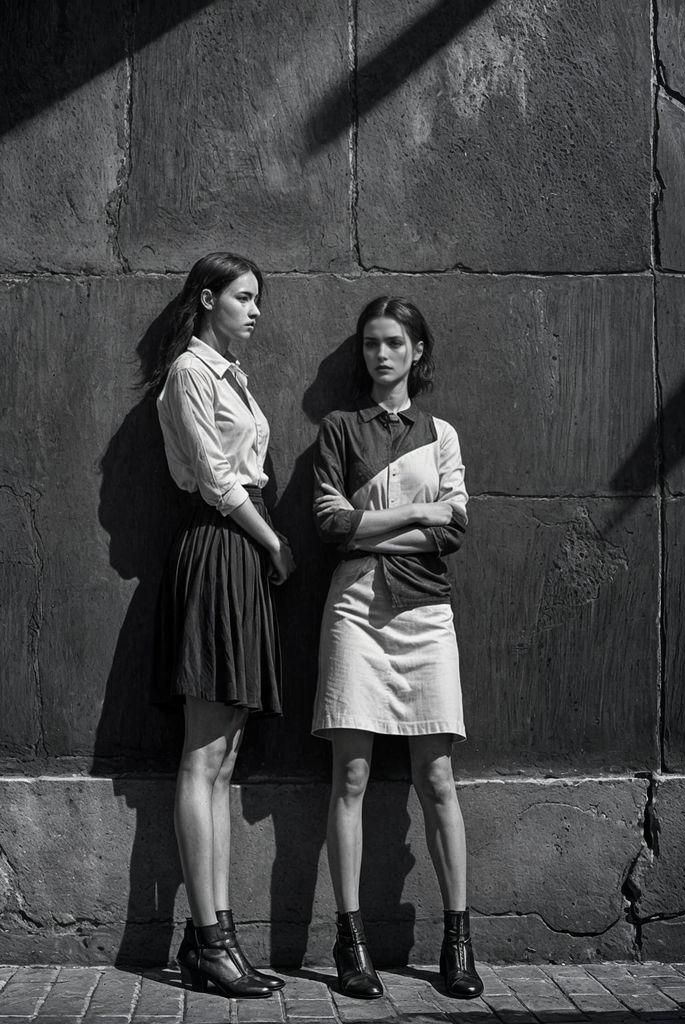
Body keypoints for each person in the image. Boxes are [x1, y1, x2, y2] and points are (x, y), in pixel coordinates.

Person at [311, 296, 483, 1000]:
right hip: (355, 610)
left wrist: (372, 526)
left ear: (416, 351)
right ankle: (349, 941)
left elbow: (457, 528)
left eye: (393, 343)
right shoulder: (339, 429)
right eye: (370, 343)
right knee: (348, 777)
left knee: (436, 777)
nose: (380, 354)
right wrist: (416, 510)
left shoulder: (441, 434)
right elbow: (331, 523)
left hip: (424, 615)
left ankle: (458, 941)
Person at [153, 252, 294, 999]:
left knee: (226, 760)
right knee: (202, 756)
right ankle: (208, 942)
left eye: (258, 299)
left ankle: (216, 937)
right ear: (207, 299)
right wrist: (273, 541)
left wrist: (261, 545)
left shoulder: (229, 375)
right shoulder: (189, 373)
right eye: (244, 297)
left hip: (238, 553)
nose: (256, 310)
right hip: (219, 547)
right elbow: (214, 478)